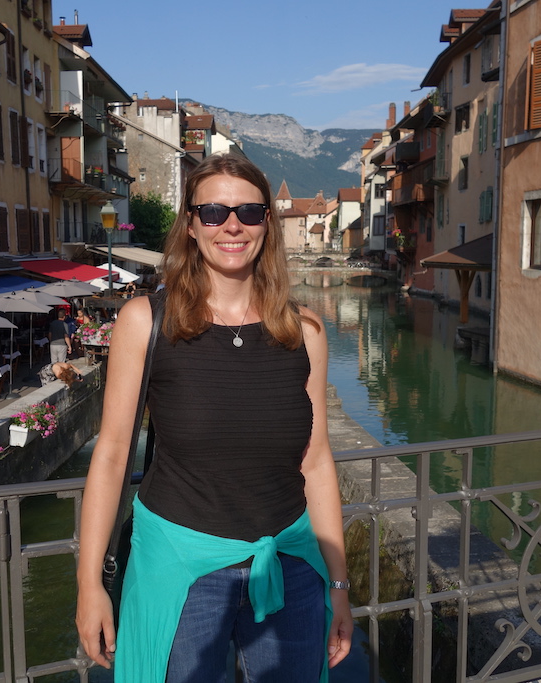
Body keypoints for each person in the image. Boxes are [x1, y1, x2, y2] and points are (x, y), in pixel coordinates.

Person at [75, 153, 353, 681]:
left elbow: (316, 461)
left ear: (267, 224)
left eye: (249, 212)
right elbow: (111, 456)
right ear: (190, 224)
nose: (232, 225)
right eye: (214, 212)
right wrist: (89, 584)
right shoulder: (145, 322)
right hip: (179, 565)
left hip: (291, 564)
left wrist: (337, 586)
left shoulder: (306, 332)